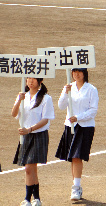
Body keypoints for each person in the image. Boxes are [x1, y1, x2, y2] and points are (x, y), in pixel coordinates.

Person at [55, 68, 99, 201]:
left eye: (79, 72)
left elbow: (93, 110)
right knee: (72, 158)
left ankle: (76, 187)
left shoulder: (91, 89)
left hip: (85, 126)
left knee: (77, 157)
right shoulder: (69, 87)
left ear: (84, 73)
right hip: (70, 126)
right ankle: (76, 185)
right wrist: (65, 93)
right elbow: (61, 106)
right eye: (74, 72)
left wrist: (78, 117)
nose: (76, 74)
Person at [11, 78, 55, 206]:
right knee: (32, 169)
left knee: (29, 168)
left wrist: (29, 129)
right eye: (28, 79)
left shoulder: (46, 98)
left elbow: (45, 119)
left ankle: (26, 199)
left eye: (34, 79)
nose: (30, 82)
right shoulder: (22, 96)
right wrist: (19, 100)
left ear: (40, 81)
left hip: (38, 135)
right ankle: (36, 198)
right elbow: (14, 114)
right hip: (25, 136)